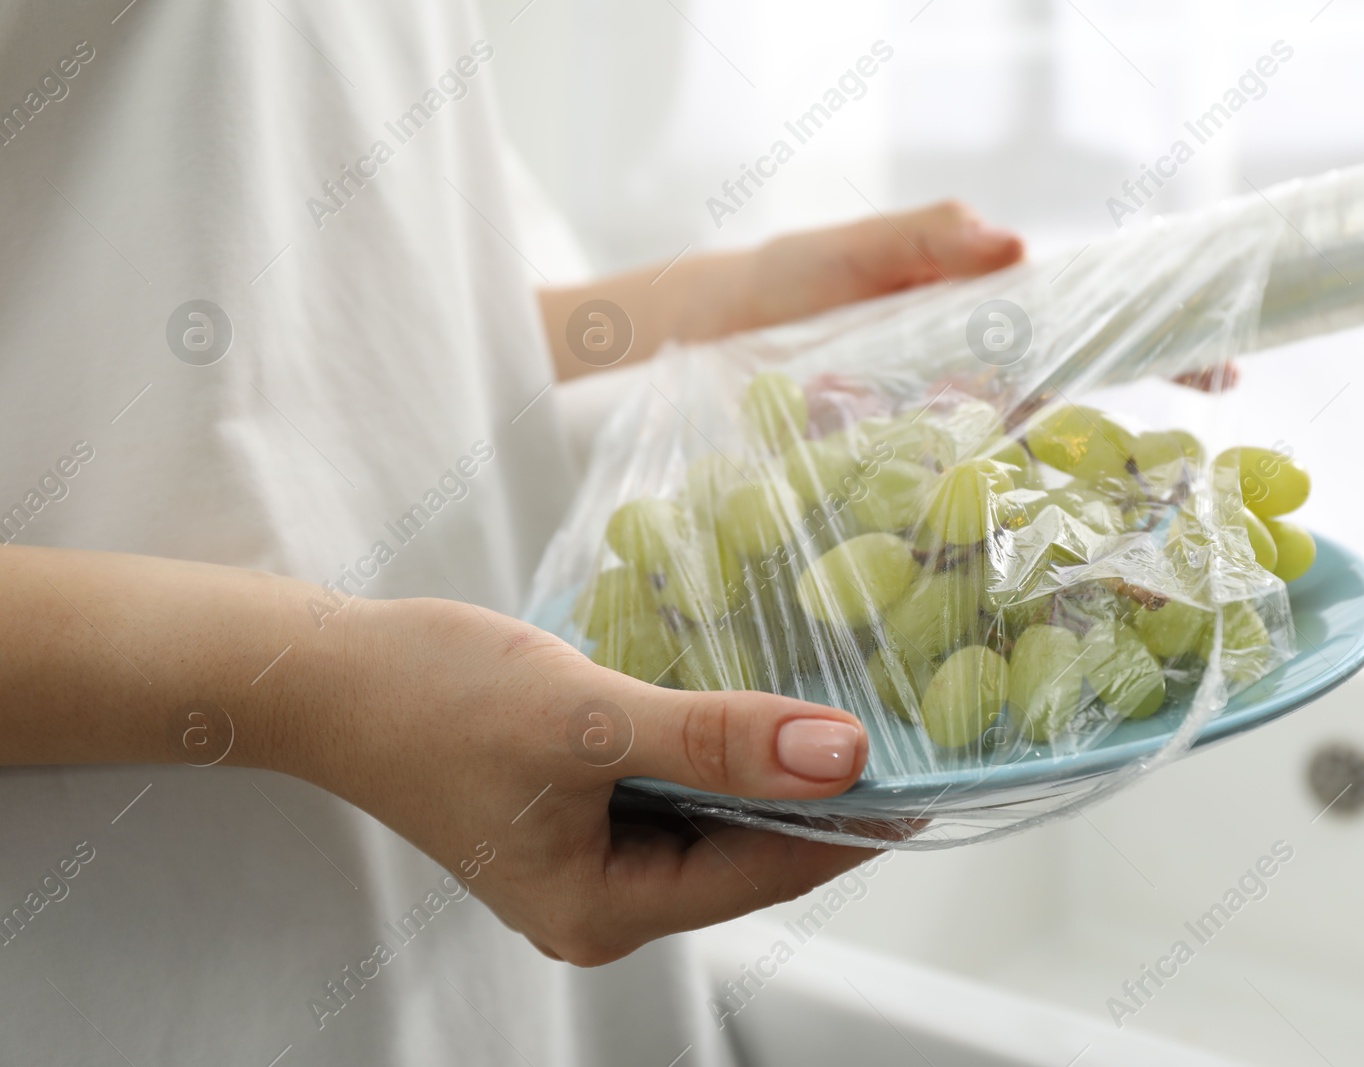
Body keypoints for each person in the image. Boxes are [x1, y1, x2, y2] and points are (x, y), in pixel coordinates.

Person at [0, 3, 1024, 1064]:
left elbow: (364, 317)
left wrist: (731, 312)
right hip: (161, 952)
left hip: (497, 900)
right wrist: (313, 686)